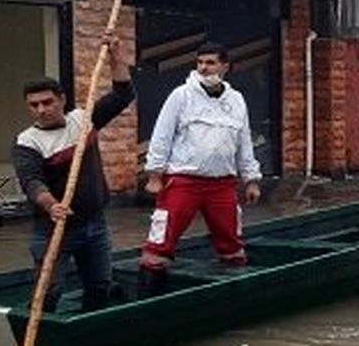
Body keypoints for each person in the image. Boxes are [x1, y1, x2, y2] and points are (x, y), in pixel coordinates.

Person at [13, 35, 135, 313]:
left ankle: (91, 336)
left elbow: (123, 94)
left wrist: (116, 54)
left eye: (48, 102)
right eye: (34, 105)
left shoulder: (83, 119)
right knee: (48, 292)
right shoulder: (27, 141)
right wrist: (51, 205)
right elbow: (32, 182)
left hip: (95, 223)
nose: (42, 110)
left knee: (100, 286)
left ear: (62, 100)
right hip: (54, 228)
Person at [139, 43, 263, 296]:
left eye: (211, 63)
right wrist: (154, 174)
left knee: (232, 244)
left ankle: (234, 297)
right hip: (184, 182)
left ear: (225, 67)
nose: (204, 68)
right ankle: (148, 300)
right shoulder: (181, 96)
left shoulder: (236, 100)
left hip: (222, 185)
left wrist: (251, 180)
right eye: (200, 63)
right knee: (160, 243)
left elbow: (244, 142)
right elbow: (161, 136)